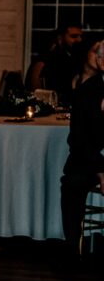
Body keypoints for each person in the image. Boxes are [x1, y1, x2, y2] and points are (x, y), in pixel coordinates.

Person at [60, 41, 104, 261]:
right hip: (92, 157)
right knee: (72, 181)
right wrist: (101, 168)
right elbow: (78, 138)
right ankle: (71, 248)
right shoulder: (85, 90)